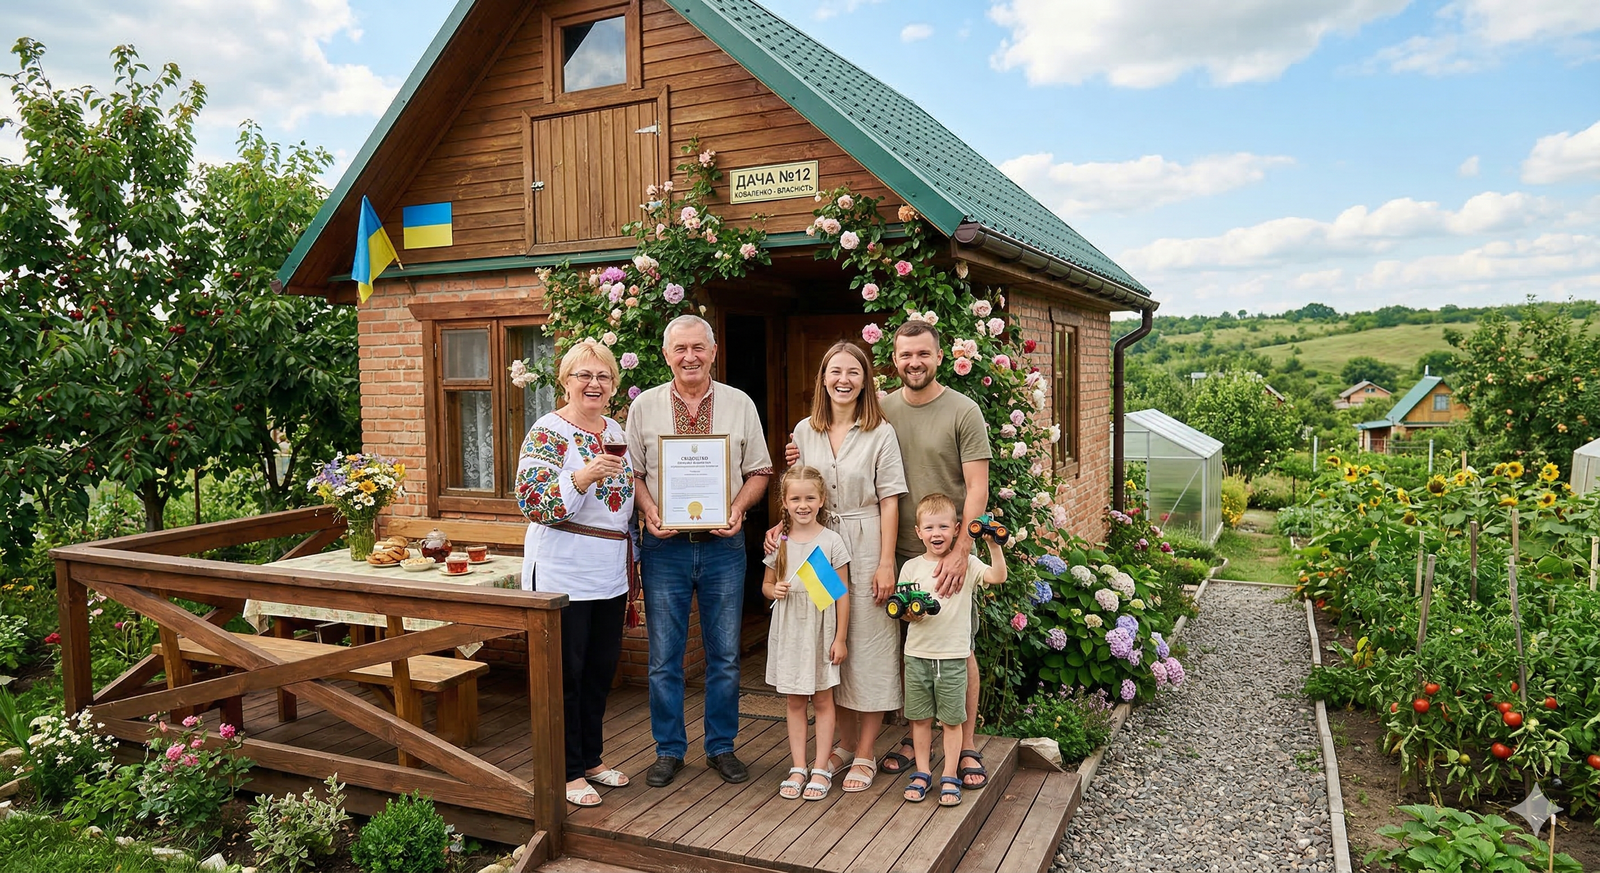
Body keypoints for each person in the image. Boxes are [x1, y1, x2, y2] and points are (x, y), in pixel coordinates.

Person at [626, 315, 774, 787]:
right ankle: (668, 750)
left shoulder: (739, 403)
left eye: (698, 348)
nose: (689, 357)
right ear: (666, 355)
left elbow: (760, 471)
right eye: (680, 349)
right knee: (663, 658)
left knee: (725, 656)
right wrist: (649, 509)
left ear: (713, 352)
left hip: (723, 548)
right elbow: (634, 475)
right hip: (664, 547)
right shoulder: (644, 406)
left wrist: (738, 508)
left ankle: (721, 747)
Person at [776, 341, 906, 793]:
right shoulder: (804, 431)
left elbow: (890, 501)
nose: (843, 380)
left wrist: (886, 562)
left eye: (853, 372)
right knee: (832, 640)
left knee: (868, 646)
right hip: (819, 549)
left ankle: (866, 751)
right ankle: (845, 744)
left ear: (865, 380)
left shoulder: (880, 433)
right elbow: (798, 493)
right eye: (835, 371)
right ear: (823, 378)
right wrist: (781, 532)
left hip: (866, 544)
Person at [515, 338, 635, 808]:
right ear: (565, 382)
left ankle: (590, 759)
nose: (594, 383)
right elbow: (532, 502)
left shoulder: (614, 429)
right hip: (562, 571)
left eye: (603, 376)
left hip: (608, 572)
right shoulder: (549, 431)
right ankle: (565, 772)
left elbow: (622, 503)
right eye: (584, 375)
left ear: (614, 385)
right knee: (566, 675)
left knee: (599, 672)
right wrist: (583, 476)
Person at [895, 493, 1006, 807]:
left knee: (952, 721)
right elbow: (903, 611)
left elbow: (998, 576)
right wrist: (910, 614)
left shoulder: (967, 564)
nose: (937, 533)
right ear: (918, 532)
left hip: (953, 658)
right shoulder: (911, 568)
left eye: (944, 527)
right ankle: (921, 772)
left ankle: (949, 774)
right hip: (917, 656)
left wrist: (993, 545)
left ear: (957, 529)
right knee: (919, 719)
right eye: (929, 528)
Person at [761, 466, 851, 801]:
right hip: (790, 631)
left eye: (810, 498)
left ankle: (821, 767)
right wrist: (774, 590)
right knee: (795, 699)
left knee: (823, 699)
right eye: (795, 498)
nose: (803, 505)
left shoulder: (831, 541)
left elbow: (841, 594)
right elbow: (766, 585)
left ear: (821, 499)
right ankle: (798, 766)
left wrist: (840, 638)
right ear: (785, 502)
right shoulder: (780, 542)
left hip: (820, 629)